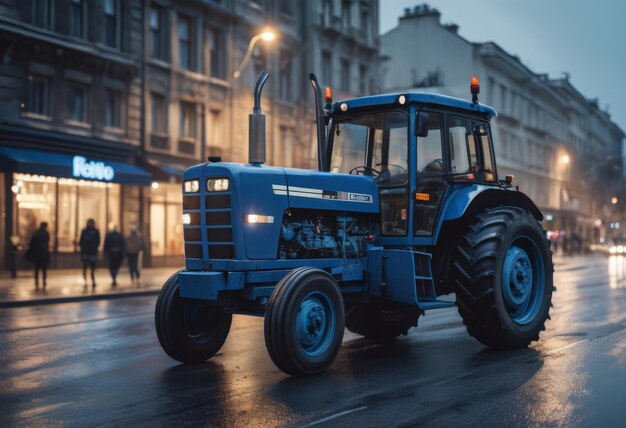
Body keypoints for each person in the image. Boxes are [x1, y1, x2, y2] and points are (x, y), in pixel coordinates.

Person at [26, 222, 50, 289]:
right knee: (44, 269)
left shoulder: (36, 233)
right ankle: (44, 281)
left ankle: (36, 282)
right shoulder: (46, 233)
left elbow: (31, 243)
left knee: (37, 268)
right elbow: (47, 243)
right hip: (43, 254)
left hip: (37, 254)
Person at [79, 219, 100, 288]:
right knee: (85, 267)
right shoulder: (85, 231)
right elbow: (81, 241)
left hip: (91, 252)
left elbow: (98, 242)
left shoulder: (95, 231)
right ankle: (86, 280)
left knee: (92, 267)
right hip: (86, 251)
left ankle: (92, 280)